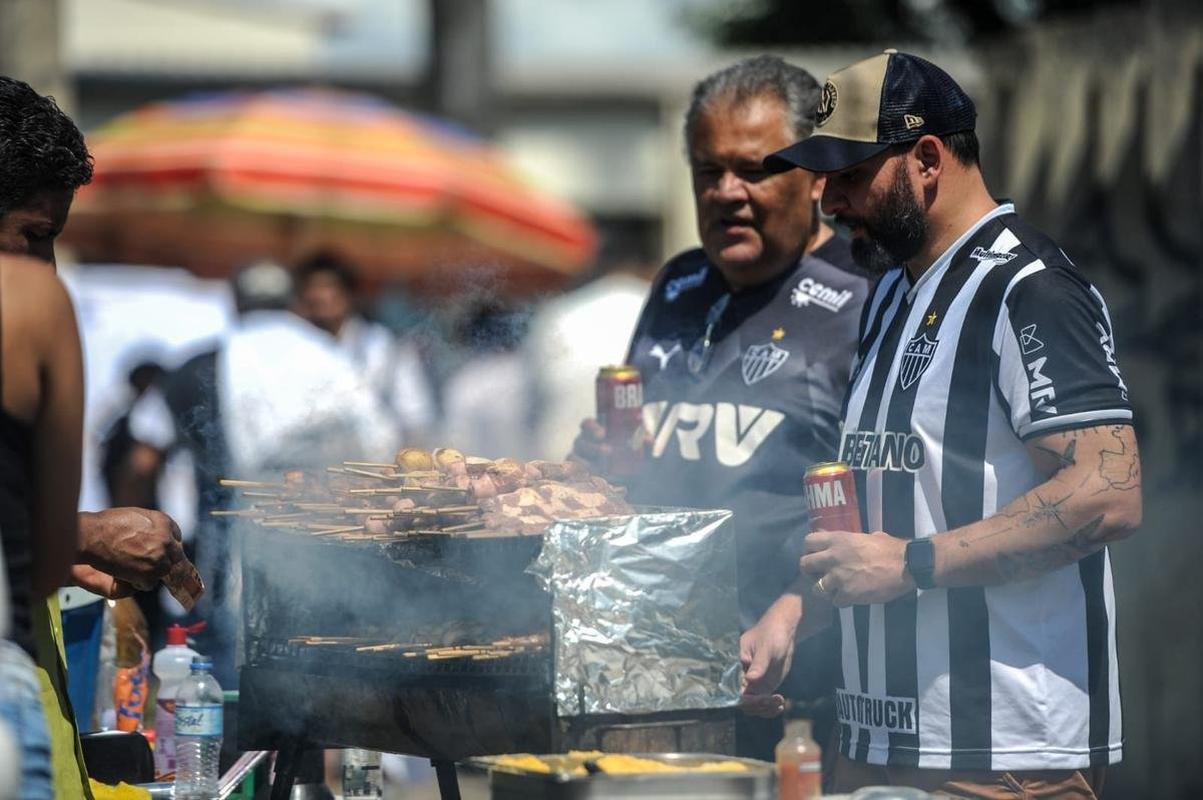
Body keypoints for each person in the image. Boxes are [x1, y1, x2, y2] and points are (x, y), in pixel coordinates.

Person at [764, 50, 1141, 797]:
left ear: (926, 159)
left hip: (999, 757)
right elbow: (905, 494)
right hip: (875, 740)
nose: (826, 200)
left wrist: (910, 564)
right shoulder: (888, 294)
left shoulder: (1027, 289)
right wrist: (797, 607)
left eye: (847, 174)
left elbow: (1107, 491)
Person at [573, 55, 874, 760]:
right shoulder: (677, 282)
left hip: (803, 691)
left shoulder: (869, 295)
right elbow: (638, 458)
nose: (727, 193)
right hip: (656, 681)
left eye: (755, 168)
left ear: (817, 178)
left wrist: (802, 605)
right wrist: (596, 467)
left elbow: (896, 493)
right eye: (708, 171)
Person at [0, 74, 195, 800]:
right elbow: (55, 543)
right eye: (35, 234)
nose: (43, 264)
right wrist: (77, 536)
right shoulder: (29, 306)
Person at [123, 260, 399, 685]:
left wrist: (148, 541)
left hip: (219, 566)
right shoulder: (333, 360)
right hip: (324, 562)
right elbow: (383, 450)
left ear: (234, 302)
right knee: (313, 687)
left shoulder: (198, 364)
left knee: (220, 690)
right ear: (293, 303)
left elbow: (141, 461)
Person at [293, 251, 438, 444]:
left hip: (377, 462)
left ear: (348, 293)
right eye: (312, 289)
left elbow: (414, 414)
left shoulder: (382, 345)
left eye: (328, 287)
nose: (320, 296)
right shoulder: (297, 349)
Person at [525, 257, 655, 461]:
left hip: (558, 458)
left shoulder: (559, 311)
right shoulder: (660, 310)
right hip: (635, 461)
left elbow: (532, 398)